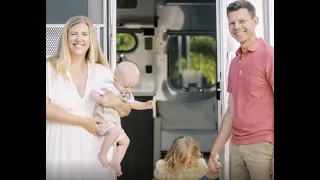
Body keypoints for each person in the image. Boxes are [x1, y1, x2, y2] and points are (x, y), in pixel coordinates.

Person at [46, 15, 132, 180]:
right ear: (65, 37)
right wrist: (83, 122)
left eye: (85, 34)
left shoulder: (102, 72)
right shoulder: (50, 68)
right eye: (74, 34)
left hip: (96, 146)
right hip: (60, 143)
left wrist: (116, 102)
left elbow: (126, 109)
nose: (79, 39)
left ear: (91, 39)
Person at [207, 1, 274, 180]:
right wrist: (215, 150)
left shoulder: (269, 55)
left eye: (242, 21)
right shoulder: (235, 62)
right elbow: (231, 111)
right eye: (232, 23)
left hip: (263, 145)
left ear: (255, 21)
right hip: (236, 146)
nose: (237, 27)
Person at [89, 61, 154, 176]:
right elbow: (92, 94)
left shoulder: (126, 93)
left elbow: (132, 104)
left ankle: (116, 161)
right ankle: (102, 154)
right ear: (115, 79)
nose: (128, 90)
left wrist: (145, 106)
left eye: (132, 87)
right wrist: (100, 99)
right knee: (113, 133)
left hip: (115, 123)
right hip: (104, 119)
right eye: (126, 86)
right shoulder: (109, 87)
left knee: (125, 141)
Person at [153, 136, 220, 180]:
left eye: (192, 160)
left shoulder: (198, 165)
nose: (191, 164)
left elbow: (211, 176)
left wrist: (215, 171)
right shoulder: (164, 168)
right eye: (187, 163)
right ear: (175, 159)